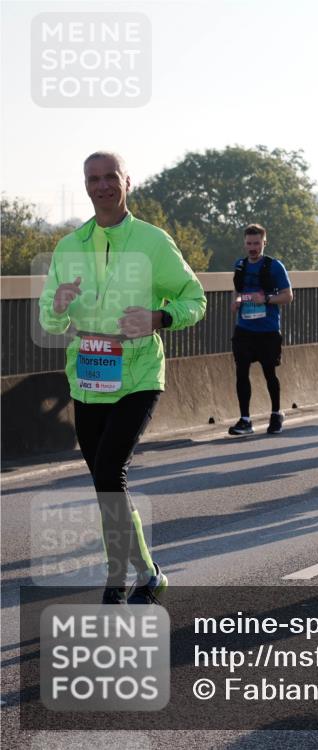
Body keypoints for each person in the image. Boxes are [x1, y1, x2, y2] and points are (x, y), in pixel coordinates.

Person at [39, 151, 207, 604]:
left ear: (126, 181)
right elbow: (49, 323)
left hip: (139, 373)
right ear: (86, 185)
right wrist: (58, 306)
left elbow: (195, 298)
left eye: (110, 177)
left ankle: (133, 575)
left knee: (111, 470)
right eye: (93, 179)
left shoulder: (153, 242)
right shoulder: (69, 246)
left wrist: (159, 317)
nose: (102, 186)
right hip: (89, 376)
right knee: (104, 481)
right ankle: (136, 572)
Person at [228, 224, 293, 436]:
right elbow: (238, 290)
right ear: (244, 244)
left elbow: (288, 296)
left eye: (257, 243)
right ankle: (245, 420)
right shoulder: (240, 265)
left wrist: (265, 299)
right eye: (249, 243)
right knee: (241, 372)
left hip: (268, 330)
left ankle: (276, 414)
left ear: (264, 243)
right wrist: (236, 301)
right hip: (244, 327)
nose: (253, 247)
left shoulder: (274, 266)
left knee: (269, 373)